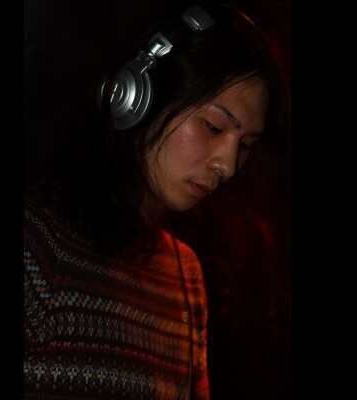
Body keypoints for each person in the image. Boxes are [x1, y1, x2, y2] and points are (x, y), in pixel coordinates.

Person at [24, 1, 288, 399]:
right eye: (213, 126)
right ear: (134, 97)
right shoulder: (36, 246)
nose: (228, 165)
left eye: (246, 145)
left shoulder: (186, 276)